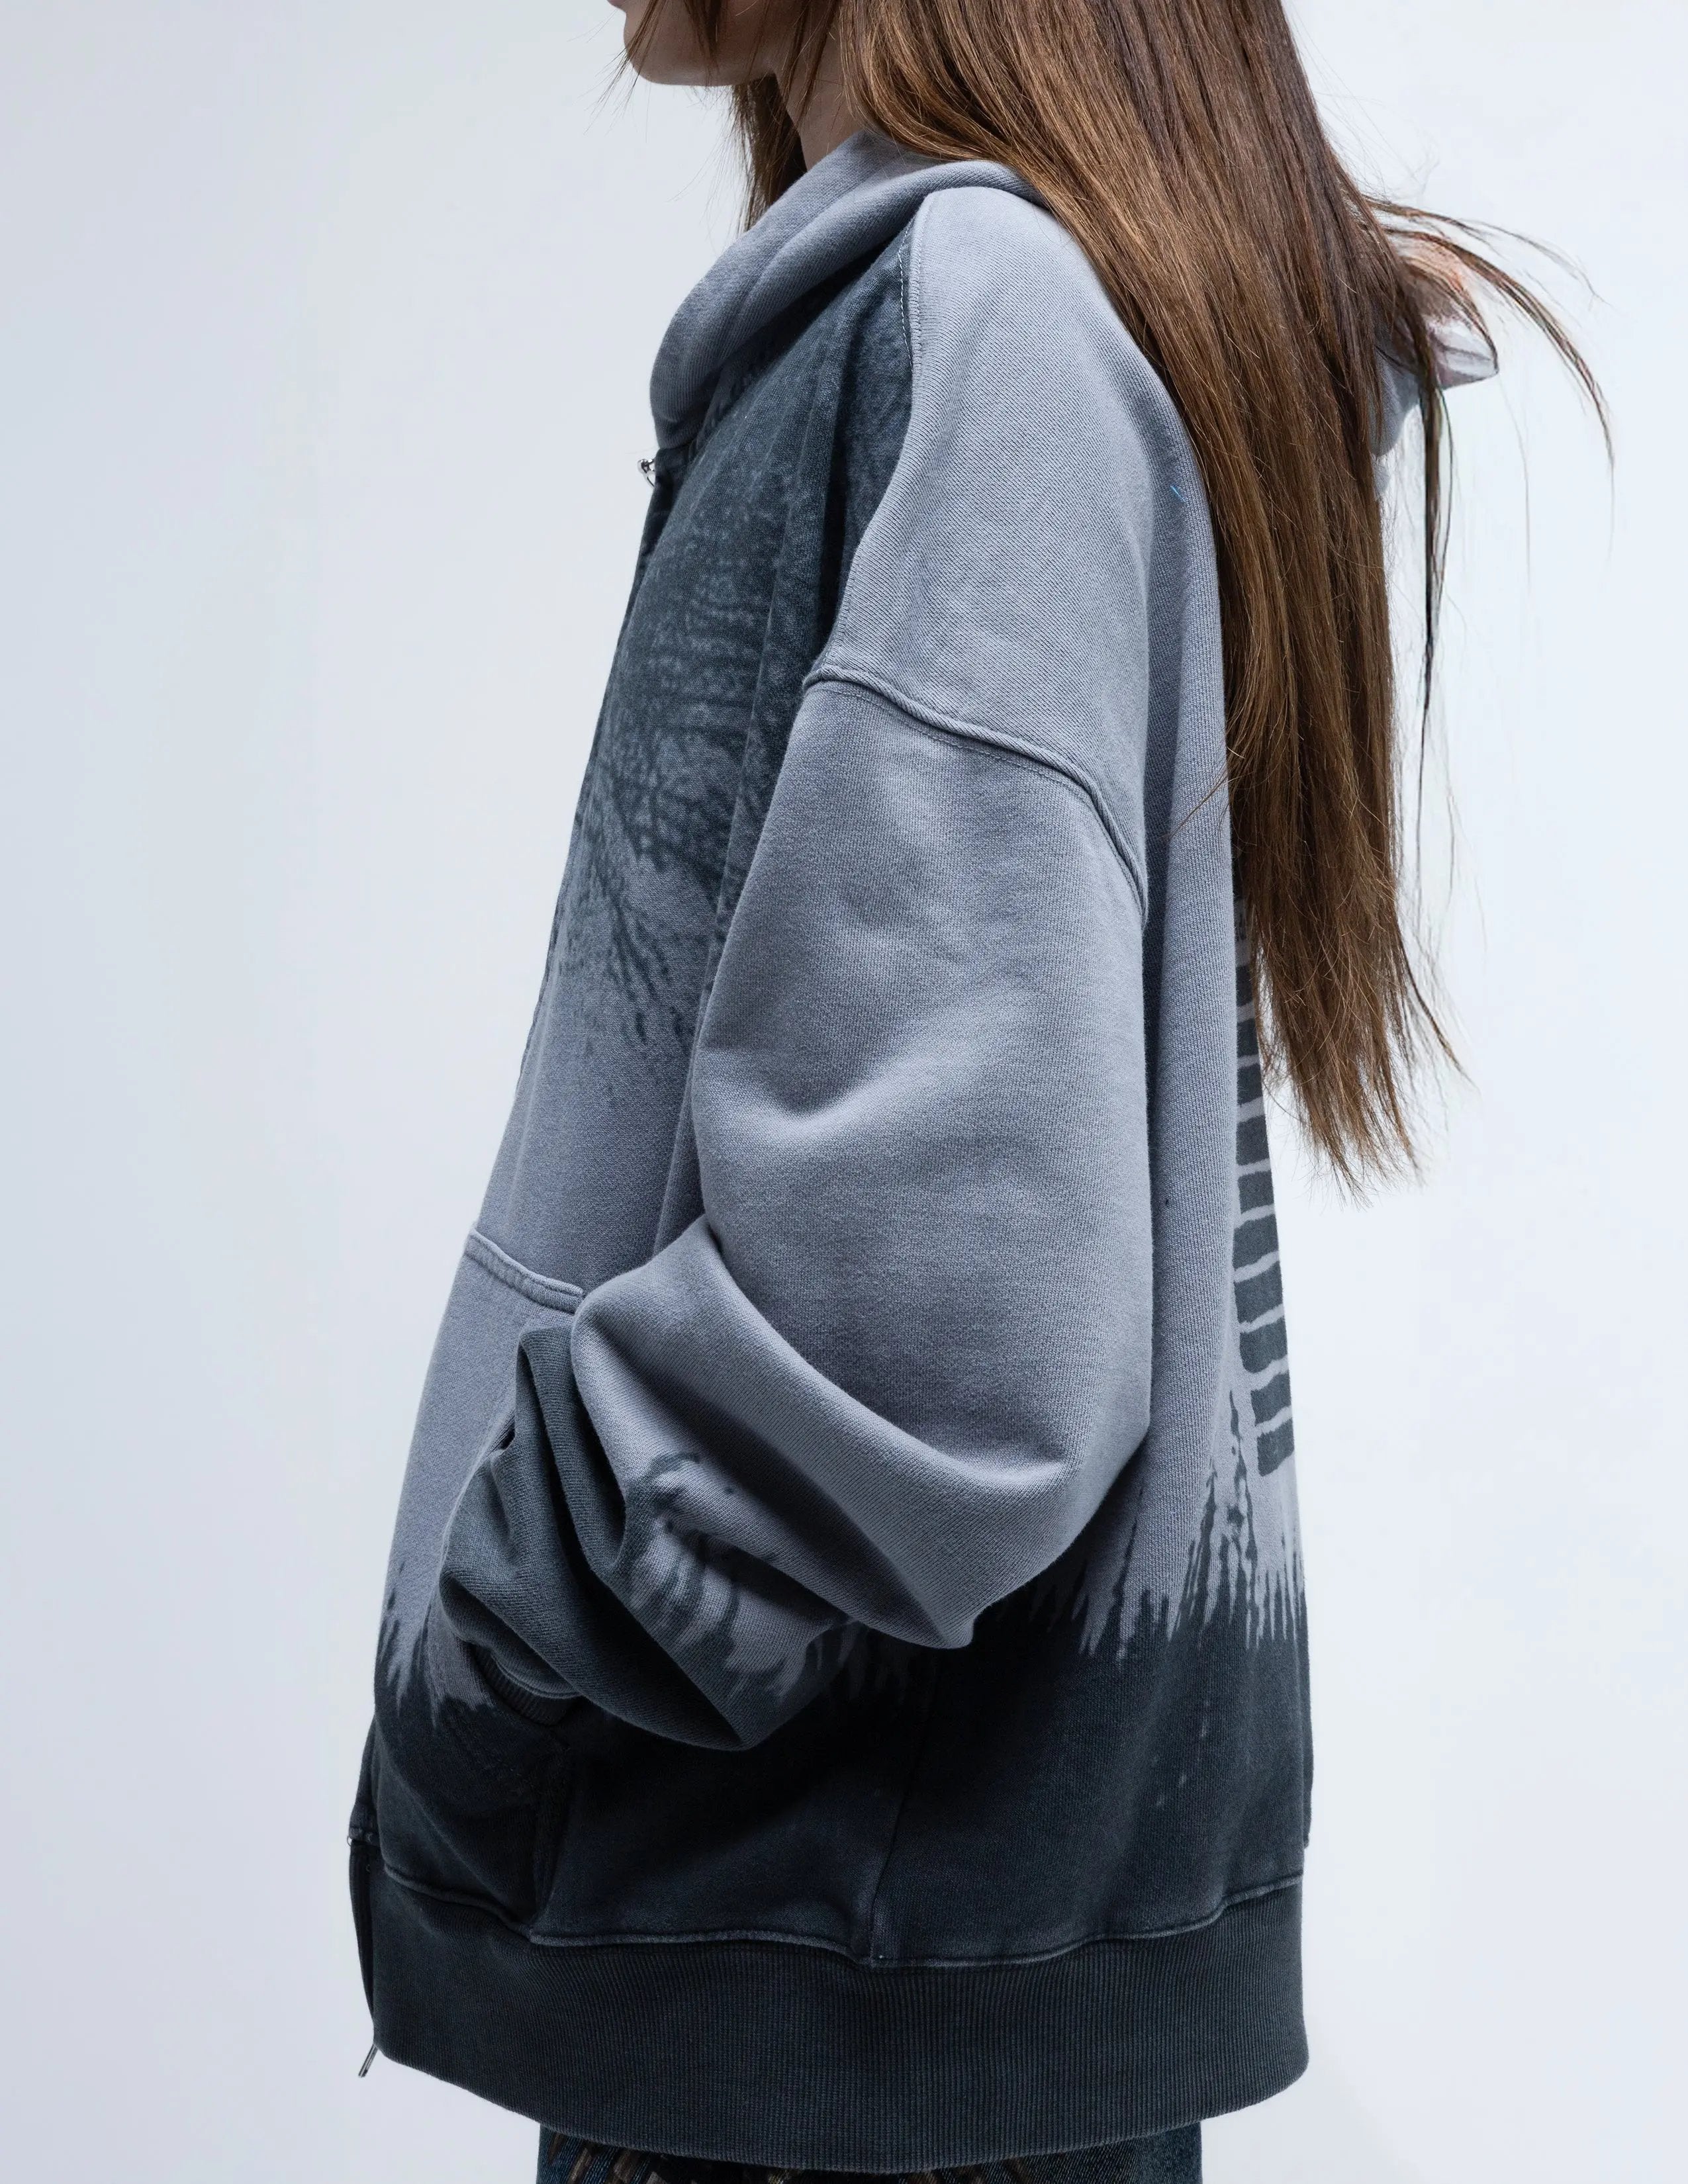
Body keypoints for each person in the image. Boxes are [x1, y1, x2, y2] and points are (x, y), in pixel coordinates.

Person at [348, 5, 1599, 2180]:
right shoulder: (1002, 314)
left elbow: (947, 1329)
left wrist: (515, 1613)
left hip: (822, 1985)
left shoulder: (991, 321)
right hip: (889, 1977)